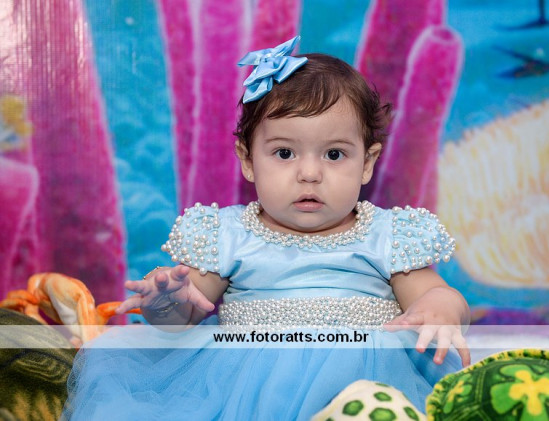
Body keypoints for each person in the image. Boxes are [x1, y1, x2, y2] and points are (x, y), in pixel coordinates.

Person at [63, 36, 470, 420]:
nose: (309, 173)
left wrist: (441, 307)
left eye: (334, 154)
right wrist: (166, 301)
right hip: (243, 387)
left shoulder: (388, 235)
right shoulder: (229, 234)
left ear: (367, 163)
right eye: (284, 153)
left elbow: (436, 295)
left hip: (368, 379)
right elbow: (184, 316)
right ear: (247, 160)